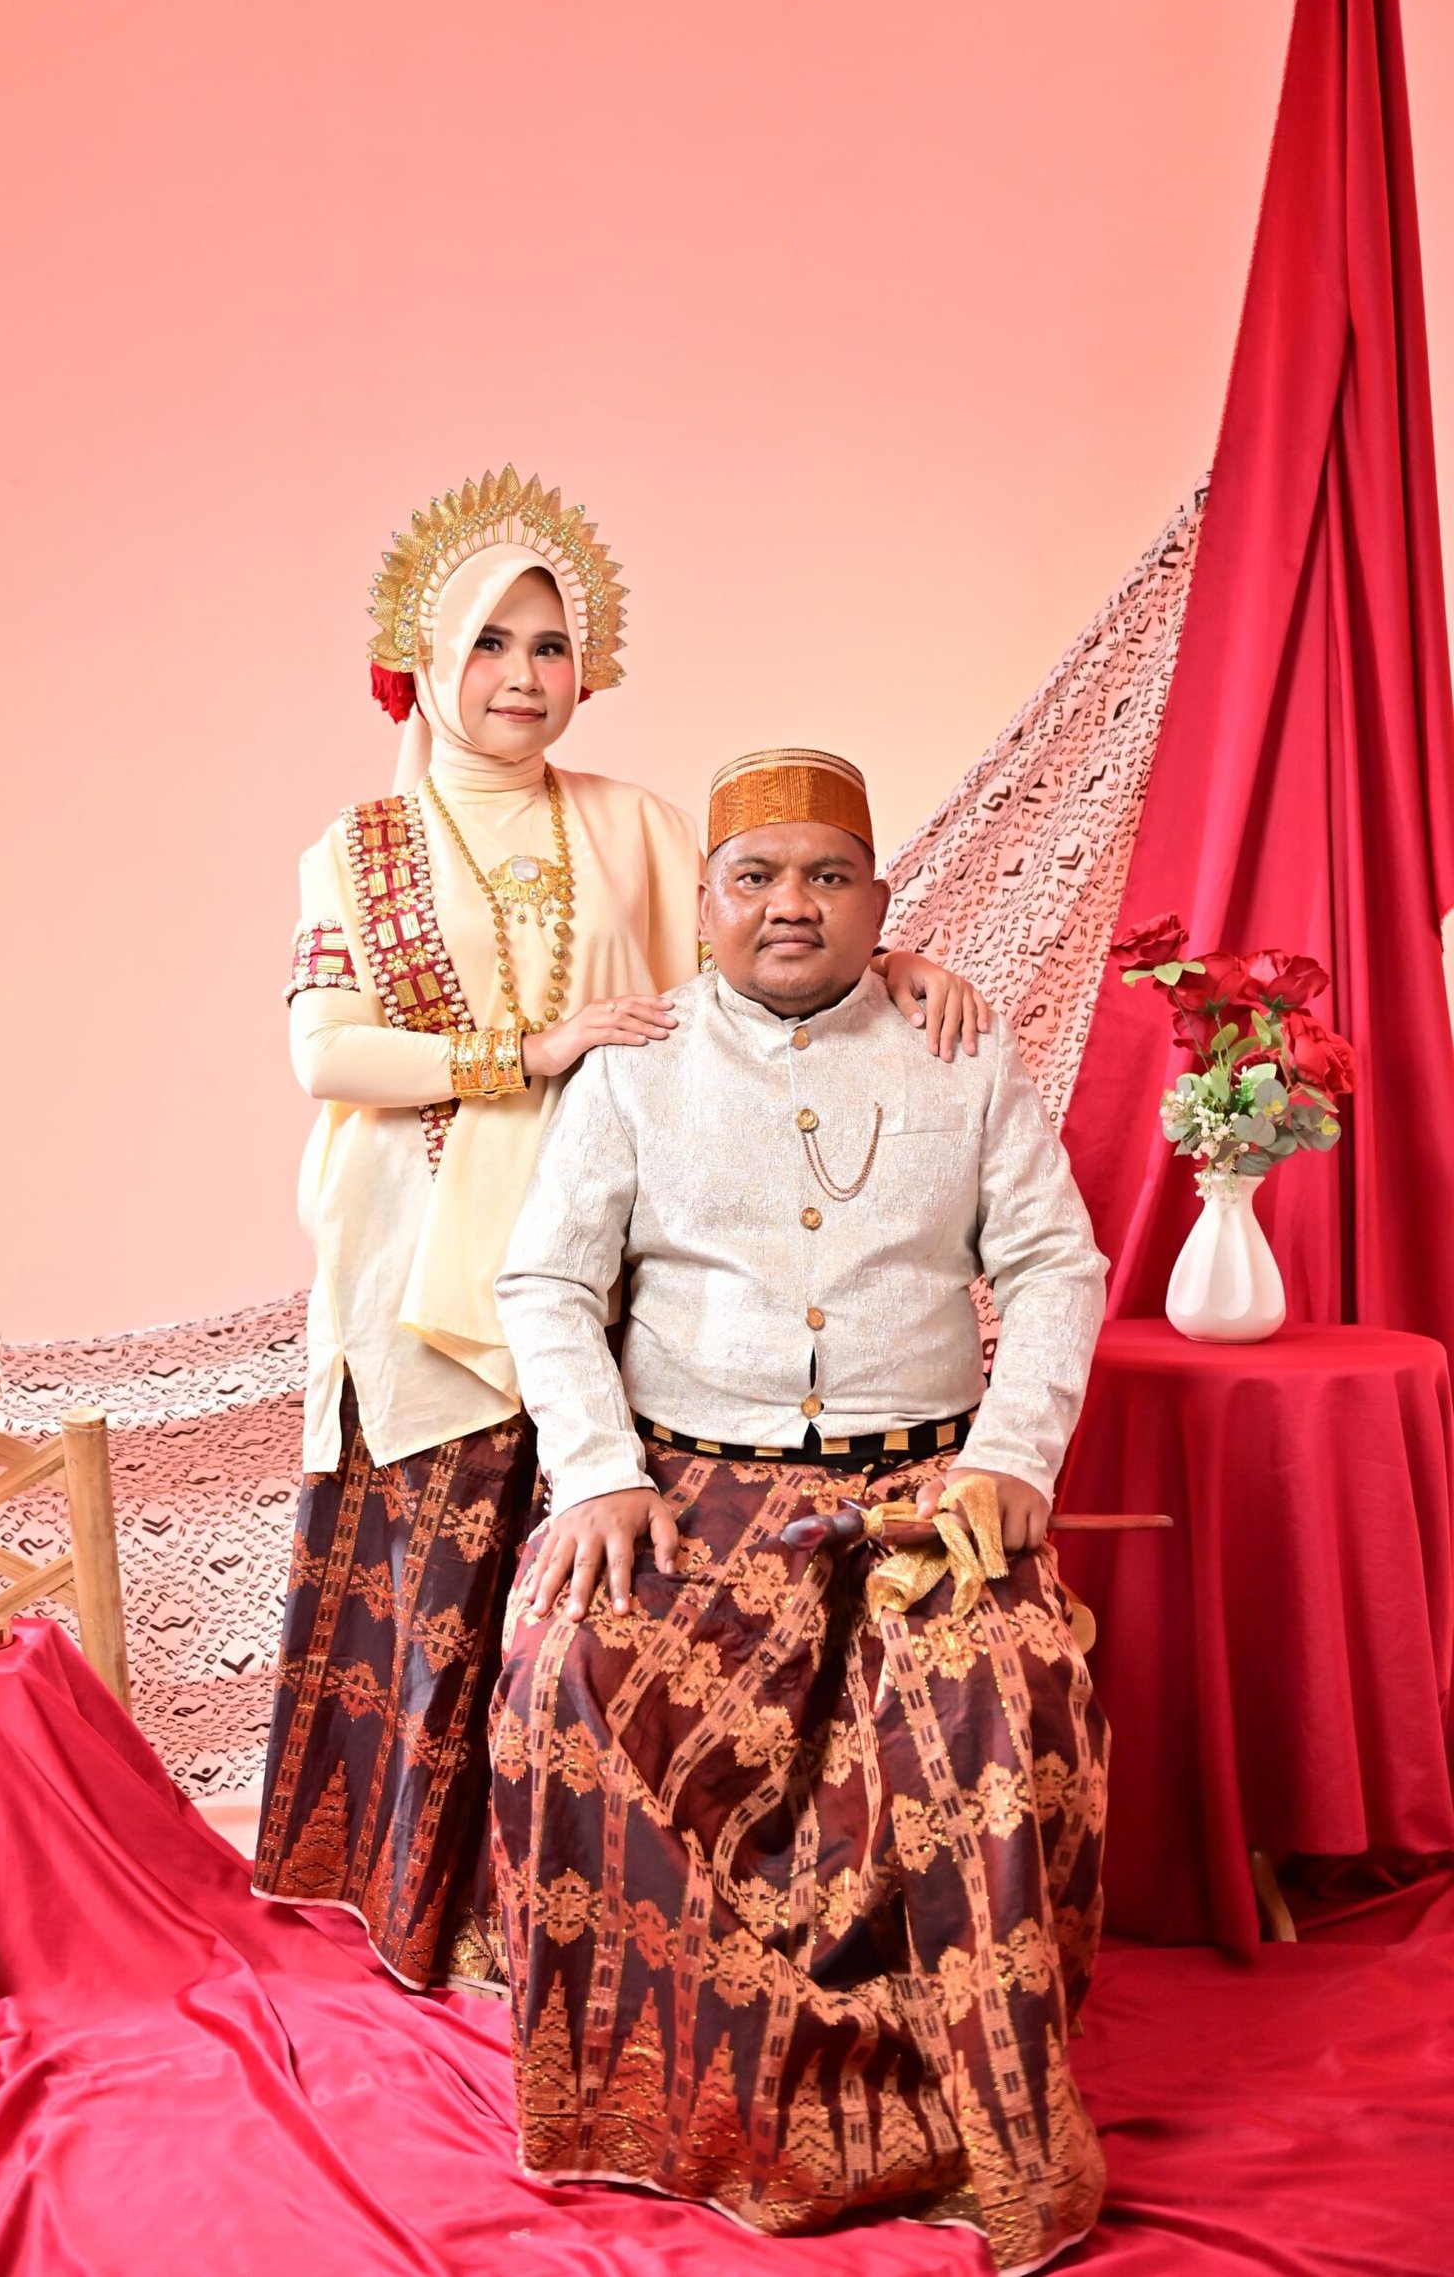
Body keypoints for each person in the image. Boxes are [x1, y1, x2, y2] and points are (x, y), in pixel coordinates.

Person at [254, 476, 984, 1991]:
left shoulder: (636, 823)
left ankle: (572, 1904)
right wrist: (525, 1051)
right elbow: (327, 1053)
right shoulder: (362, 846)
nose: (524, 676)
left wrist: (891, 959)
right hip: (423, 1255)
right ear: (426, 659)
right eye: (490, 643)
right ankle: (425, 1911)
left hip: (615, 1257)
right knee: (446, 1583)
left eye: (551, 645)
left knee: (590, 1585)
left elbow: (746, 956)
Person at [491, 745, 1109, 2269]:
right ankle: (639, 2094)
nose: (792, 904)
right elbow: (546, 1281)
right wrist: (600, 1470)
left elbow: (1054, 1266)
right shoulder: (635, 1066)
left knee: (1010, 1681)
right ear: (705, 904)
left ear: (879, 903)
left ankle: (979, 2103)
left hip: (930, 1487)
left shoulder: (959, 1046)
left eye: (828, 876)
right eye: (756, 876)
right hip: (688, 1487)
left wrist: (1012, 1459)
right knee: (566, 1666)